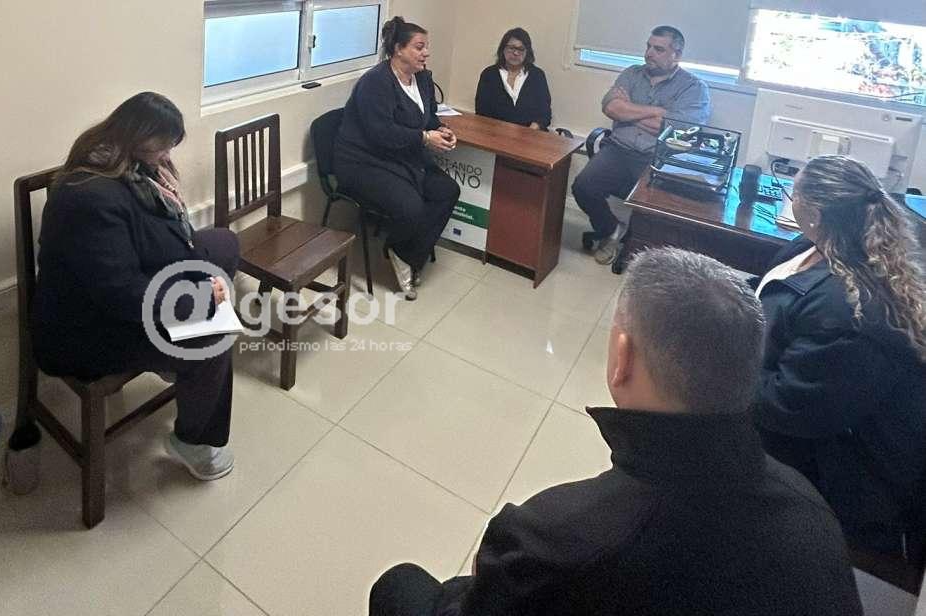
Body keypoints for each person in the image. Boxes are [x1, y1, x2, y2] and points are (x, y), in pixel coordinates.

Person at [368, 247, 862, 616]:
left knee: (397, 584)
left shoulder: (554, 536)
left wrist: (480, 579)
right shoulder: (811, 512)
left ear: (622, 357)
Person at [29, 91, 239, 481]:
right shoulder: (90, 198)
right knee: (215, 333)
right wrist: (199, 300)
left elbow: (145, 241)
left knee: (224, 244)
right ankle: (193, 440)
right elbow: (122, 295)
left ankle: (184, 365)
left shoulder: (132, 168)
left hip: (133, 283)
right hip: (90, 328)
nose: (168, 156)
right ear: (139, 136)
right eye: (164, 146)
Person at [751, 155, 926, 562]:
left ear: (813, 214)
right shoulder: (815, 245)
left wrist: (720, 372)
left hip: (838, 477)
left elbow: (790, 406)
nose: (788, 198)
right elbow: (772, 293)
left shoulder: (849, 312)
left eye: (792, 193)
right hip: (793, 397)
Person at [335, 16, 460, 301]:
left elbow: (428, 117)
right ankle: (403, 252)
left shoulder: (423, 79)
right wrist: (425, 138)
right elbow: (381, 133)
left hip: (401, 156)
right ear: (398, 49)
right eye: (419, 47)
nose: (426, 53)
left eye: (426, 47)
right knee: (411, 207)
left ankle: (404, 252)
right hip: (362, 161)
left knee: (447, 191)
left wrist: (441, 130)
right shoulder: (375, 83)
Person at [571, 25, 711, 265]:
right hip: (617, 150)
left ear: (676, 55)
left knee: (653, 208)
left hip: (656, 159)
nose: (649, 53)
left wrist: (631, 112)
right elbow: (611, 107)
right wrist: (658, 111)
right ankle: (612, 230)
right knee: (583, 186)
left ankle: (642, 251)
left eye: (658, 49)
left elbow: (675, 130)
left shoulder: (693, 87)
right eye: (648, 46)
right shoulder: (632, 74)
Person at [474, 28, 551, 130]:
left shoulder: (537, 76)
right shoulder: (489, 75)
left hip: (531, 134)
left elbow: (544, 114)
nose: (515, 53)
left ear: (527, 52)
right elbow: (481, 112)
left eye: (521, 49)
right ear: (503, 49)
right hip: (495, 133)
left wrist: (529, 132)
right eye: (511, 48)